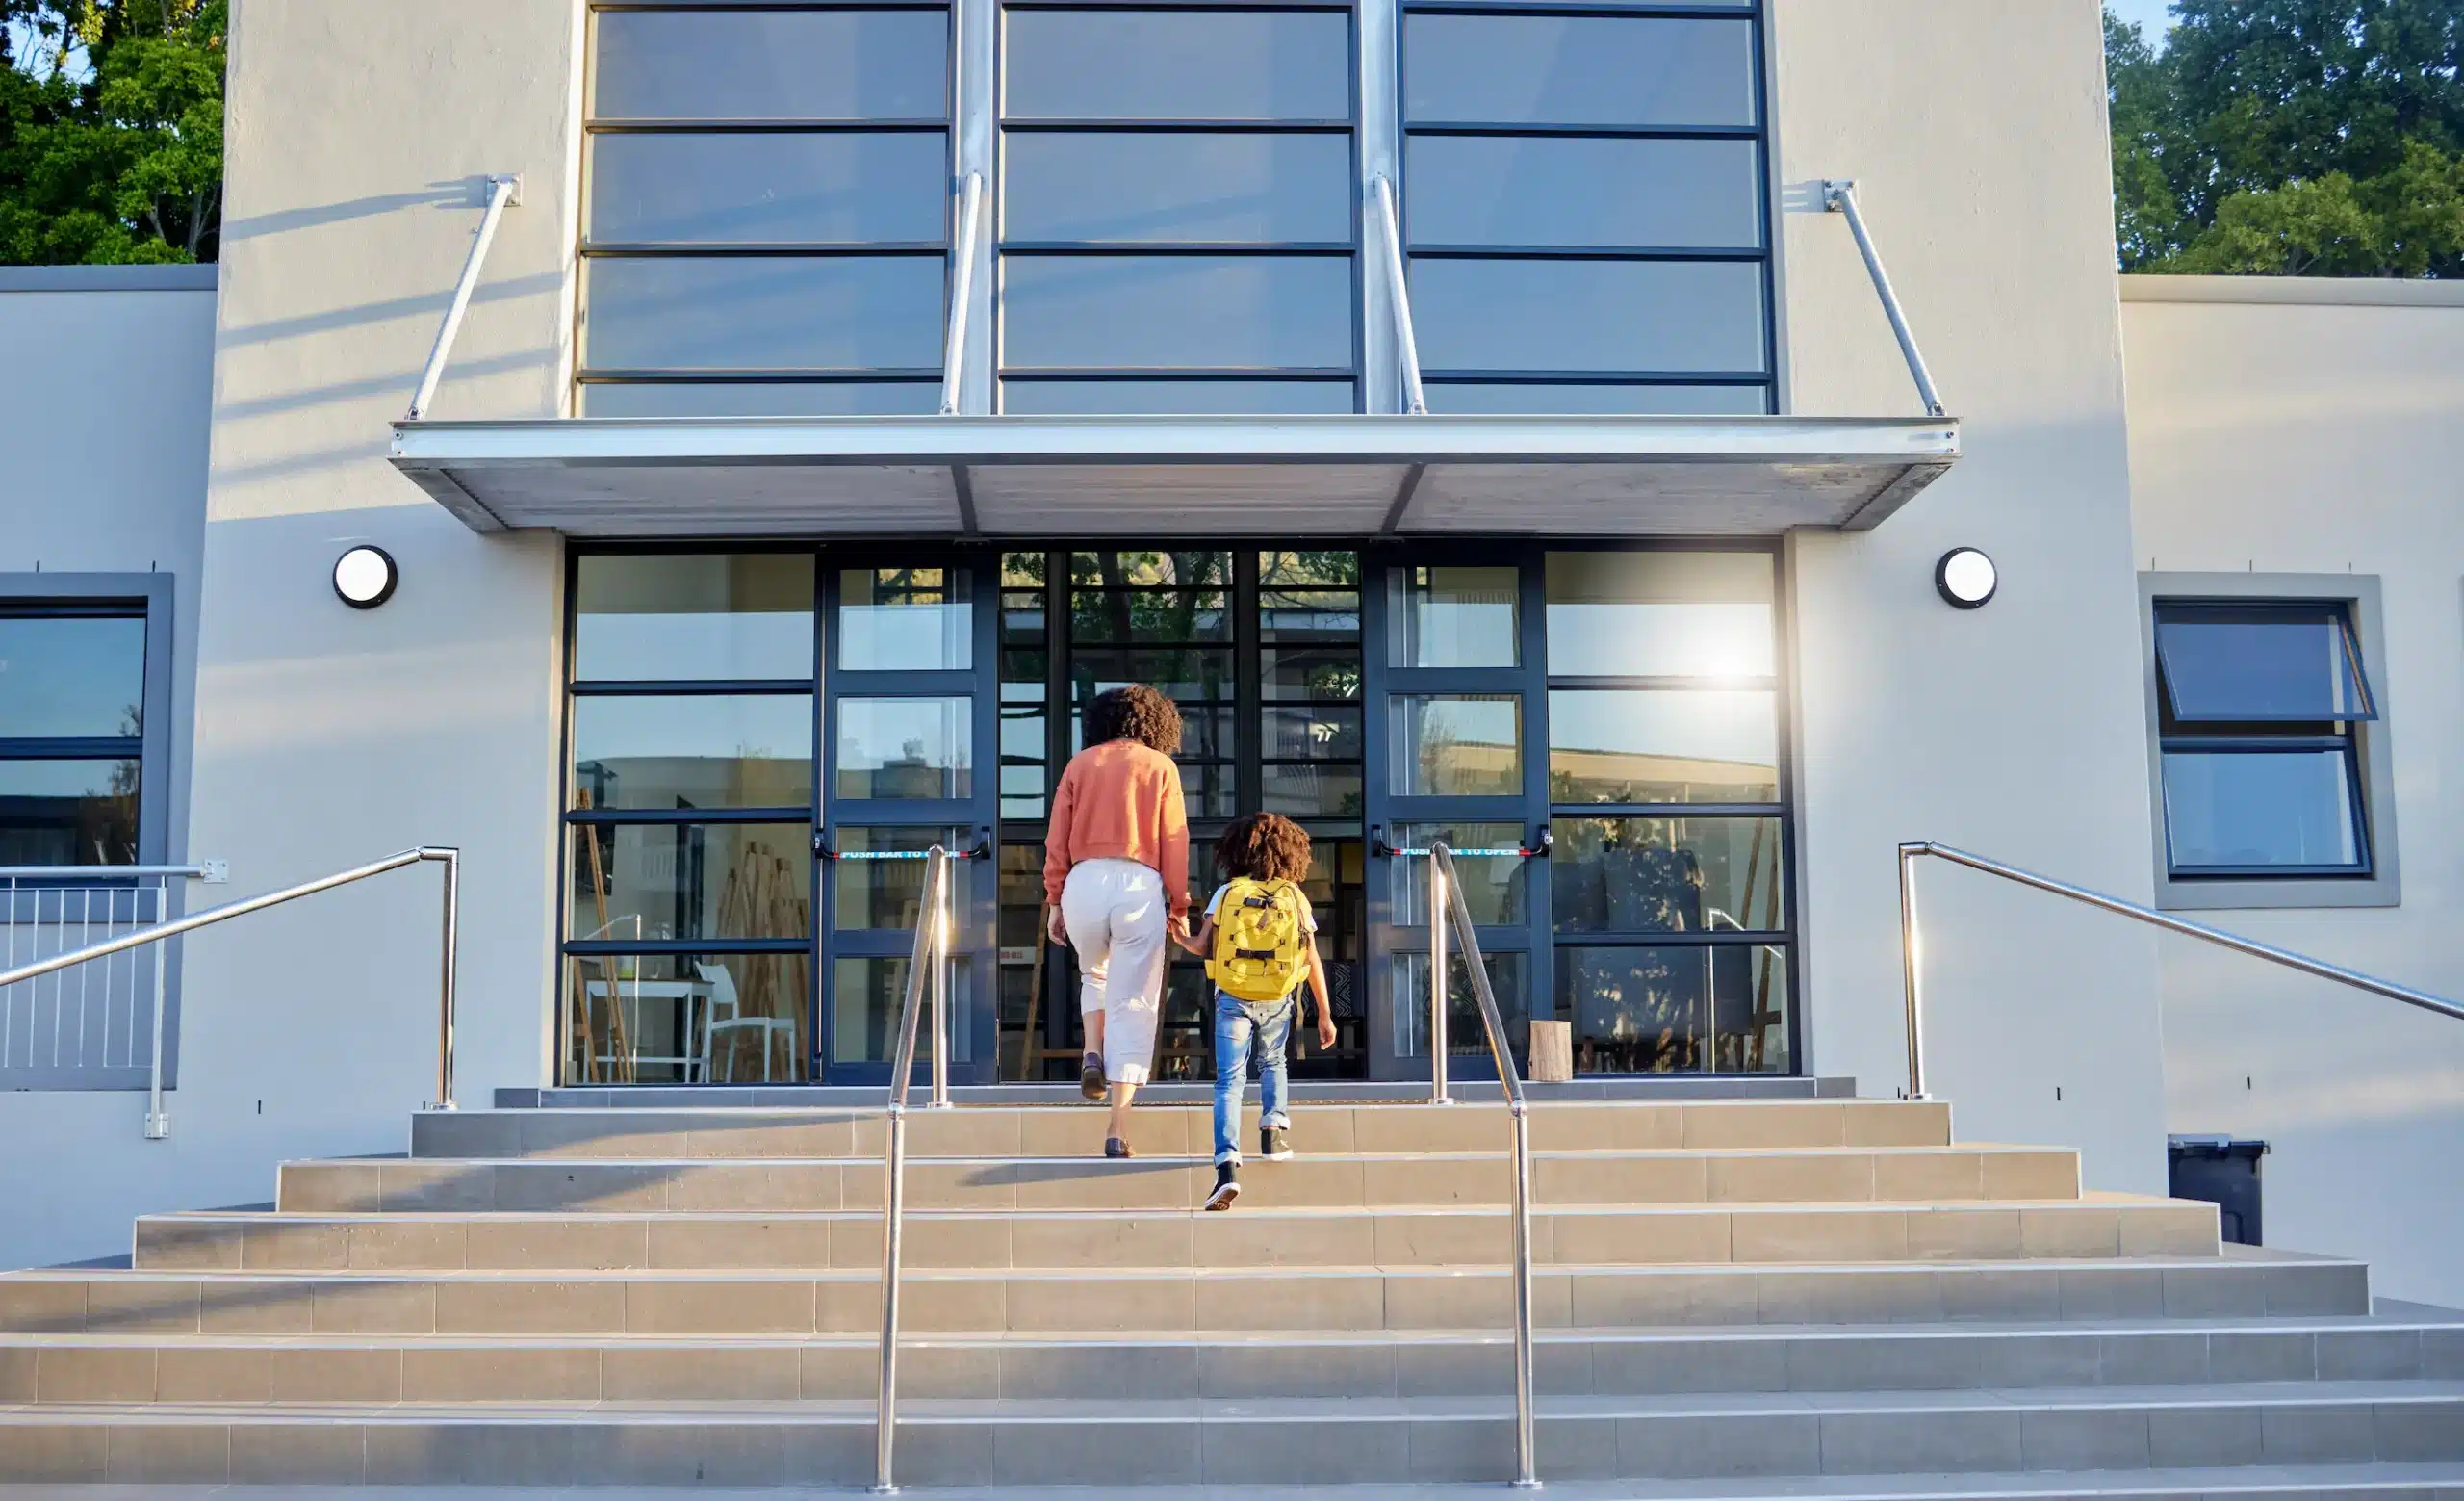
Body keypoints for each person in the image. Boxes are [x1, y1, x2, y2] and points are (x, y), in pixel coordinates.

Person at [1043, 684, 1189, 1158]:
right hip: (1138, 885)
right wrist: (1180, 903)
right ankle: (1117, 1125)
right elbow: (1175, 839)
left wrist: (1054, 901)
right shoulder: (1160, 767)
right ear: (1155, 725)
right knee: (1135, 1001)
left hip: (1083, 881)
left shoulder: (1080, 765)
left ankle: (1091, 1050)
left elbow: (1056, 839)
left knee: (1095, 974)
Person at [1173, 812, 1336, 1210]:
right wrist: (1325, 1014)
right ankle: (1273, 1130)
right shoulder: (1294, 896)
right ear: (1290, 854)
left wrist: (1178, 934)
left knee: (1229, 1081)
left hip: (1232, 995)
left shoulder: (1227, 893)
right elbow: (1311, 957)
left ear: (1237, 851)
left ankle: (1227, 1166)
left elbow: (1201, 947)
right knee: (1274, 1061)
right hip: (1278, 995)